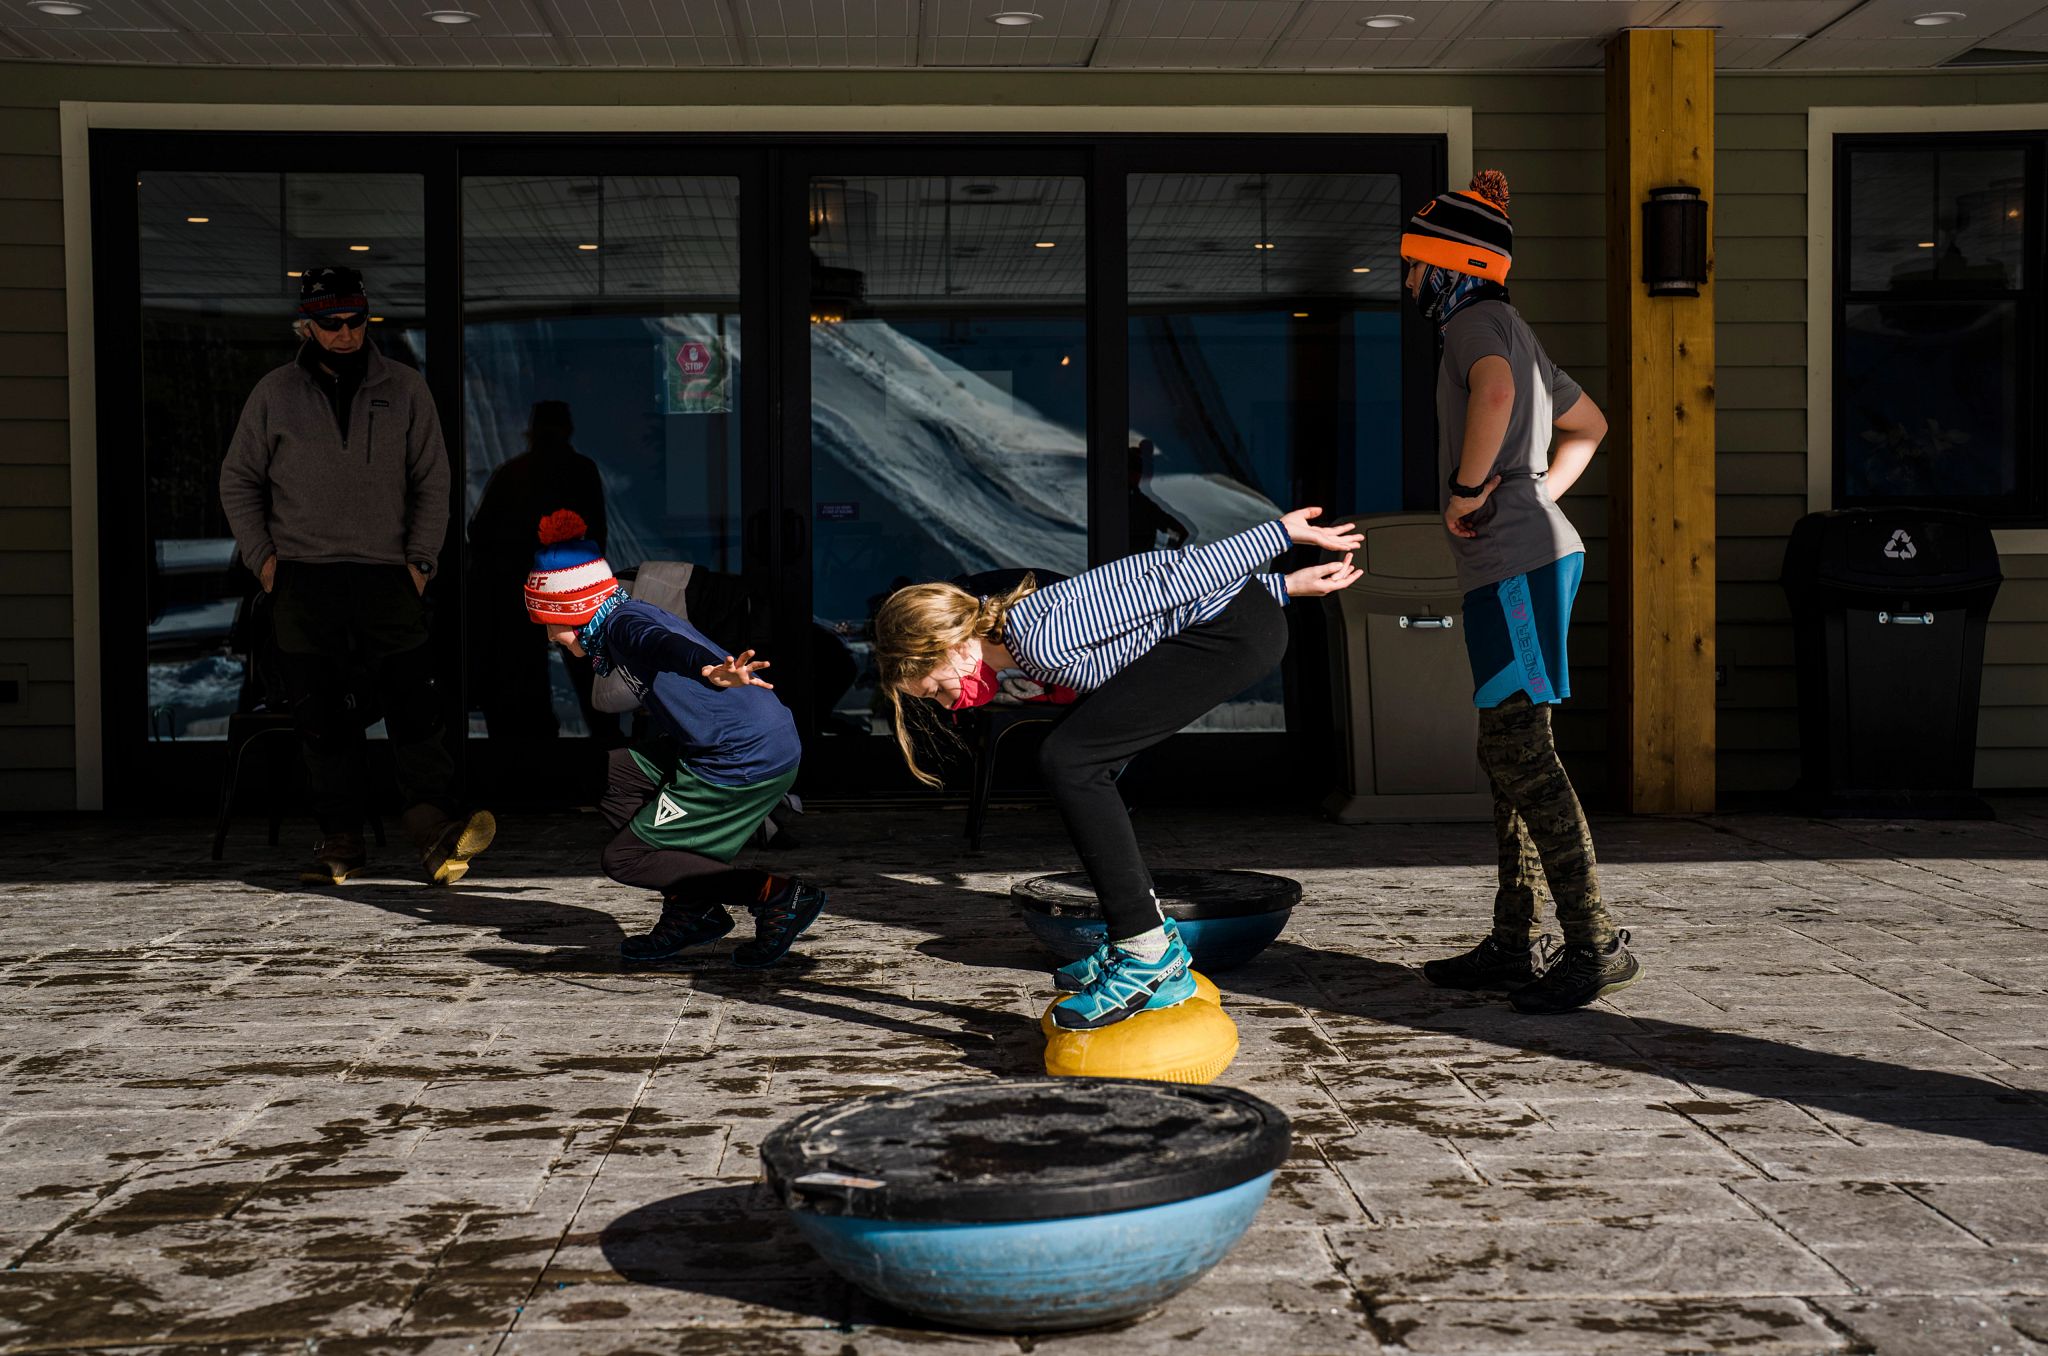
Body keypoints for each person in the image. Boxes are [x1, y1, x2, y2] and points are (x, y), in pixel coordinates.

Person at [873, 513, 1363, 1030]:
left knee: (1072, 760)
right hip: (1234, 619)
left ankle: (1147, 952)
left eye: (933, 689)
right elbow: (1152, 606)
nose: (948, 705)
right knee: (1071, 755)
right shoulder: (1024, 644)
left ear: (948, 646)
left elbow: (1169, 574)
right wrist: (1281, 587)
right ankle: (1145, 939)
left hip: (1231, 635)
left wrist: (1280, 536)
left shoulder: (1042, 636)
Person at [1399, 170, 1641, 1014]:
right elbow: (1591, 425)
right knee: (1506, 750)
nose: (1408, 282)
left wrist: (1476, 492)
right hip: (1520, 557)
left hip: (1516, 566)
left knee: (1521, 754)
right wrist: (1533, 492)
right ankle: (1512, 941)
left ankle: (1594, 944)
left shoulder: (1473, 323)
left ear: (1448, 264)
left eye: (1413, 264)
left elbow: (1497, 397)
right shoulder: (1508, 323)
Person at [218, 265, 494, 886]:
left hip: (387, 578)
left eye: (354, 321)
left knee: (415, 706)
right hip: (302, 580)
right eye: (330, 323)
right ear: (307, 324)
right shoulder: (273, 393)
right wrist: (264, 560)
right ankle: (340, 839)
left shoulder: (404, 388)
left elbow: (434, 480)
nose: (344, 333)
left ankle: (433, 833)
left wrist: (421, 562)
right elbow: (238, 479)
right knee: (322, 715)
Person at [526, 509, 823, 966]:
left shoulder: (624, 626)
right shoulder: (620, 615)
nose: (551, 637)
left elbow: (660, 642)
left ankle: (776, 894)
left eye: (551, 622)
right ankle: (693, 907)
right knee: (605, 774)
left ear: (577, 611)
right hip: (729, 744)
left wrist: (706, 668)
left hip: (741, 760)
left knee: (625, 859)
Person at [467, 400, 616, 741]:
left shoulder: (513, 472)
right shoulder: (581, 470)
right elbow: (598, 534)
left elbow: (481, 532)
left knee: (526, 676)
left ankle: (536, 754)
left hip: (519, 589)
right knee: (585, 675)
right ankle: (604, 754)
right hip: (572, 589)